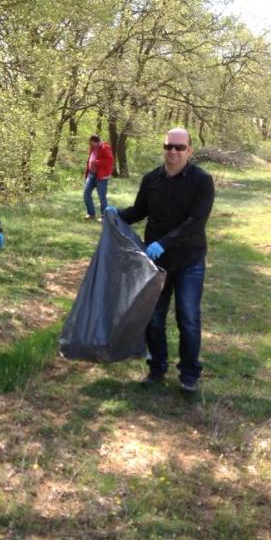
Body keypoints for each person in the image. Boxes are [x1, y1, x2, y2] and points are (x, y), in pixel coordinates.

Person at [106, 128, 214, 393]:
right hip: (156, 264)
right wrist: (116, 214)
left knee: (188, 317)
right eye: (168, 146)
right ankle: (157, 369)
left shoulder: (202, 181)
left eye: (179, 147)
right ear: (163, 148)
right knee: (153, 317)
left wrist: (163, 242)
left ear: (189, 150)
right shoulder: (151, 179)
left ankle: (189, 375)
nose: (173, 152)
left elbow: (196, 221)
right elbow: (139, 211)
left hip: (190, 260)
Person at [83, 134, 114, 221]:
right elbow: (89, 161)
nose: (89, 144)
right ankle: (91, 214)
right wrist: (87, 173)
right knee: (86, 193)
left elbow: (110, 160)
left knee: (101, 196)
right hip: (91, 175)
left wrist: (96, 162)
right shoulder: (92, 148)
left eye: (90, 142)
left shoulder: (105, 147)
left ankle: (104, 216)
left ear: (94, 141)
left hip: (101, 176)